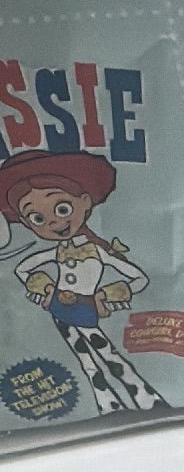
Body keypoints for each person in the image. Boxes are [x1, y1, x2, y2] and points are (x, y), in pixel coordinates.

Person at [0, 149, 168, 414]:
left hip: (85, 308)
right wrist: (46, 288)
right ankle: (108, 404)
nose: (53, 222)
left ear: (85, 202)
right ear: (26, 222)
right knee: (85, 360)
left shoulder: (97, 251)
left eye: (62, 208)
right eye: (37, 218)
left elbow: (140, 277)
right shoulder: (57, 251)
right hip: (59, 309)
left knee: (107, 353)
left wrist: (108, 294)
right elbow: (22, 269)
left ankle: (147, 399)